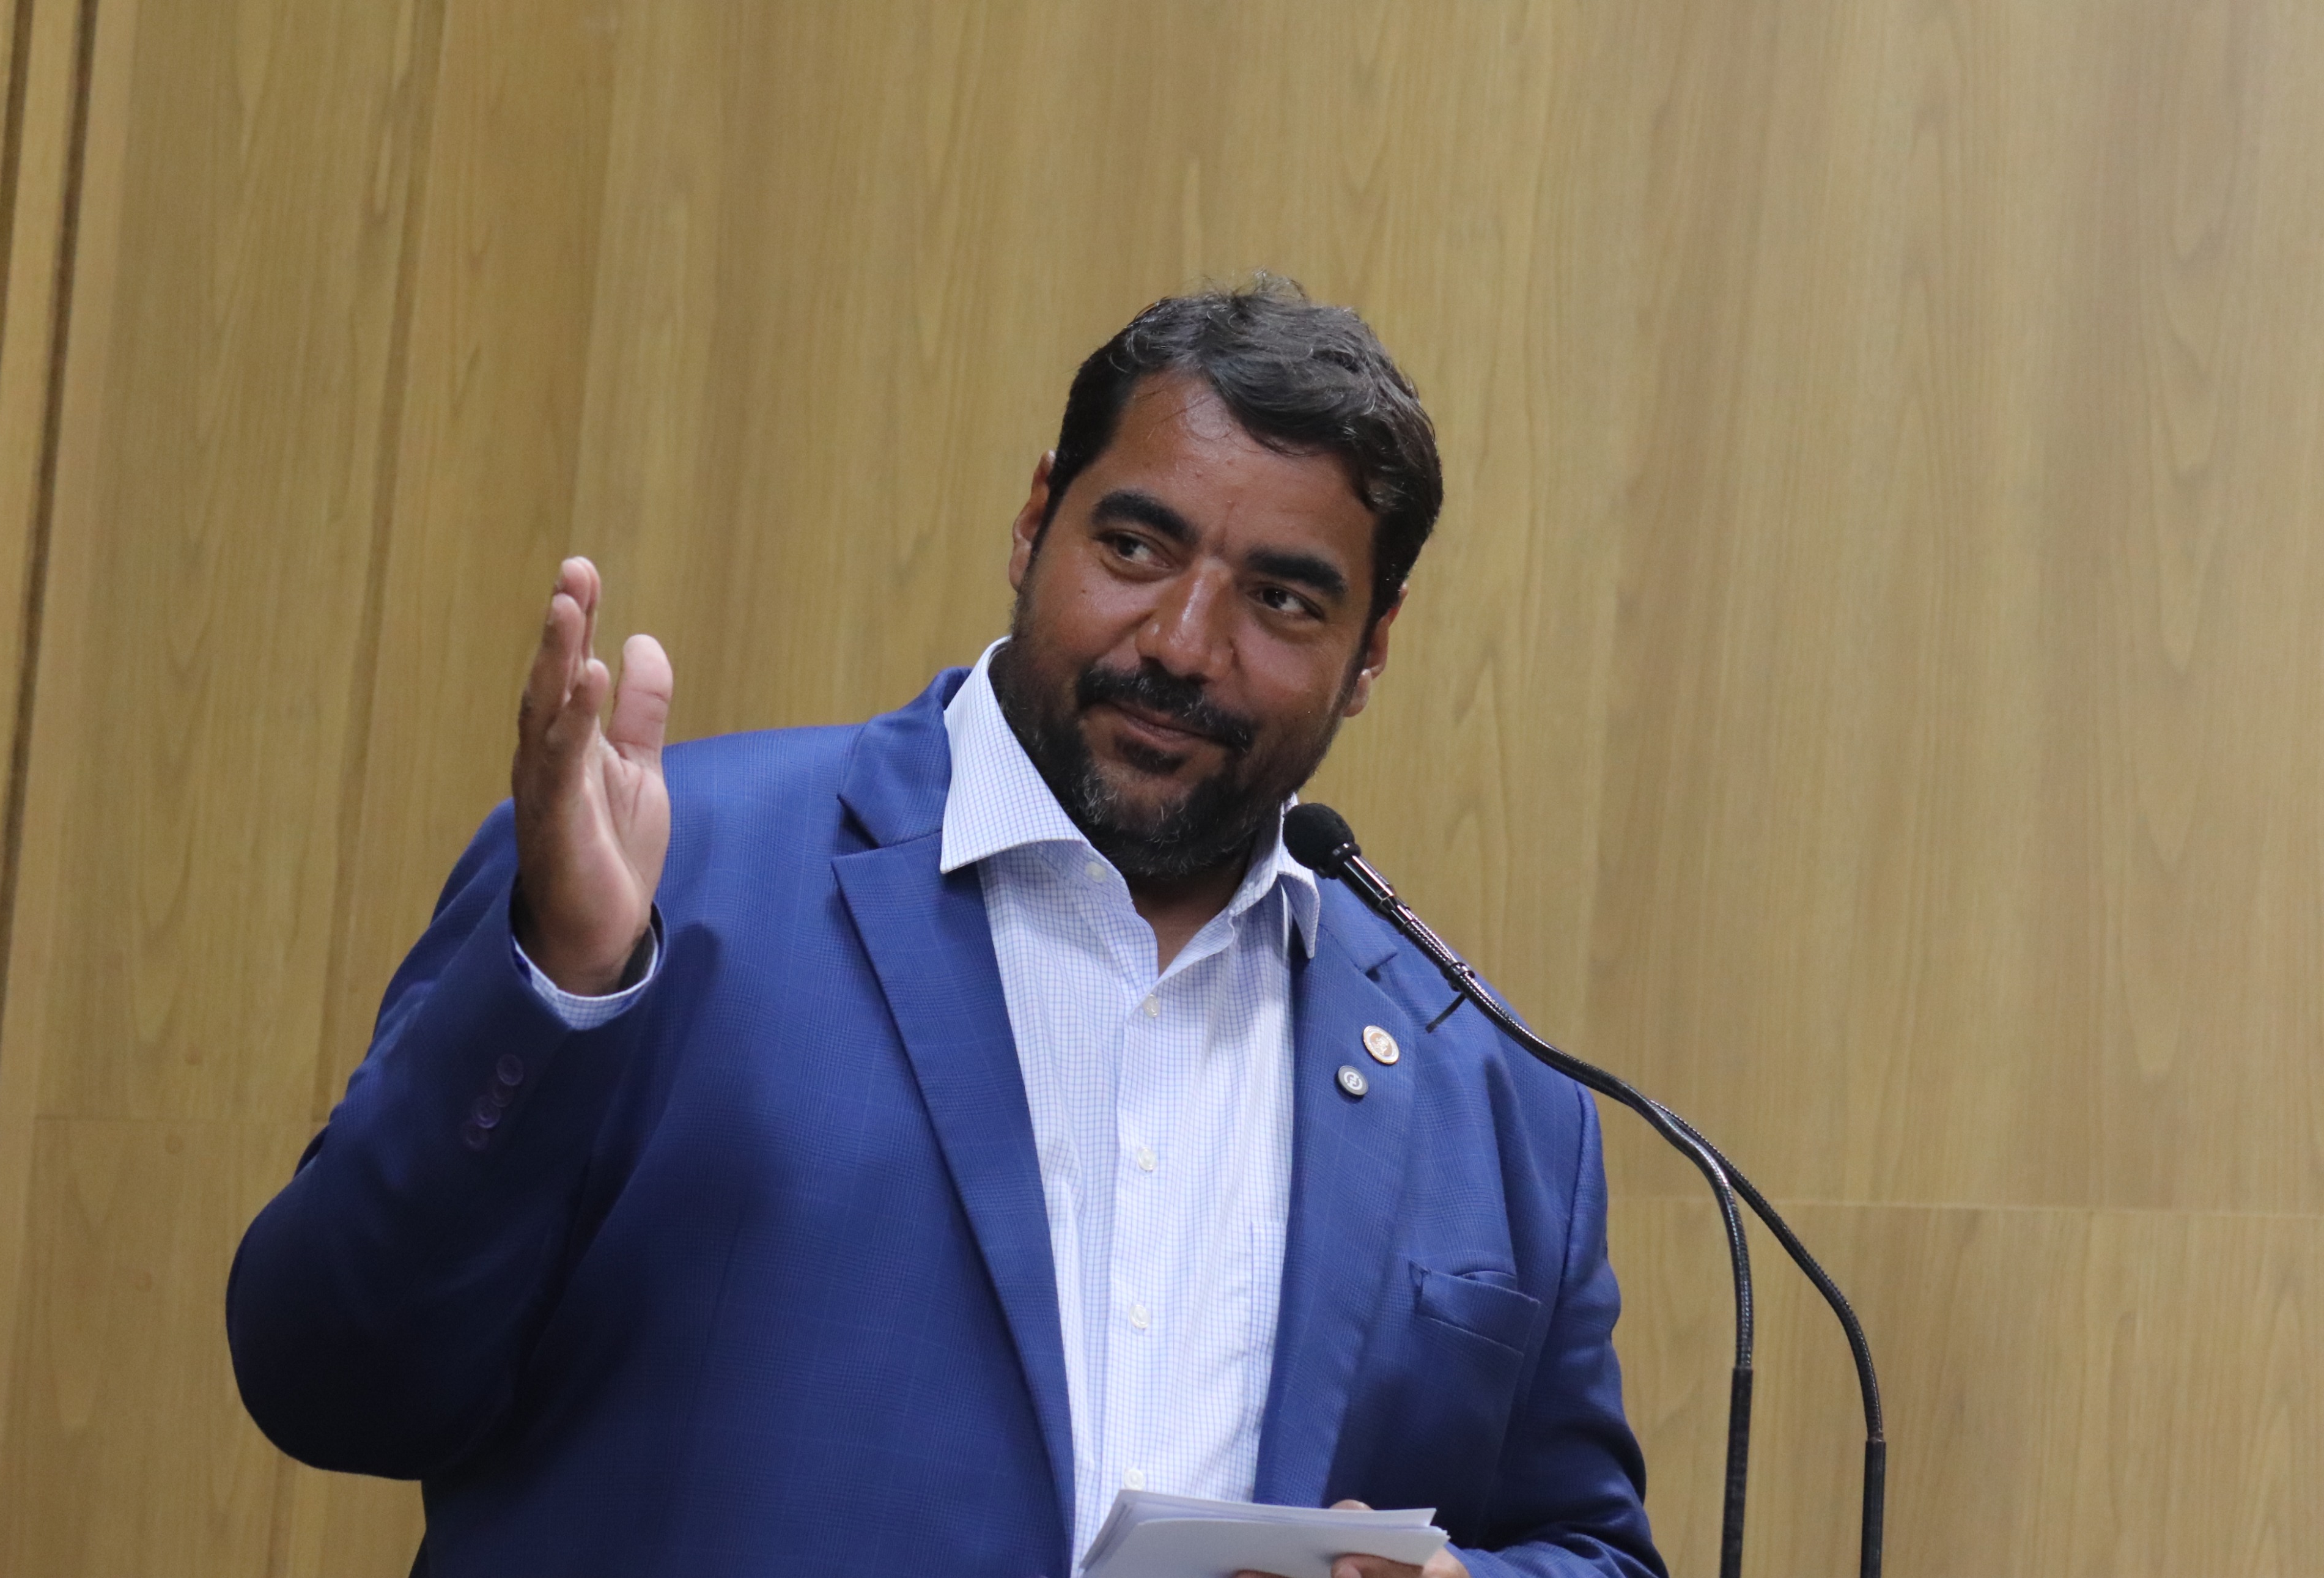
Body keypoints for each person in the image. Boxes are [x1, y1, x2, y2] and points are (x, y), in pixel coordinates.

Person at [227, 277, 1665, 1578]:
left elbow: (1591, 1550)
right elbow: (330, 1380)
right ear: (1035, 520)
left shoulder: (1492, 1090)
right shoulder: (664, 873)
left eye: (1282, 600)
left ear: (1370, 652)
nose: (1181, 642)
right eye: (1133, 545)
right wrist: (562, 990)